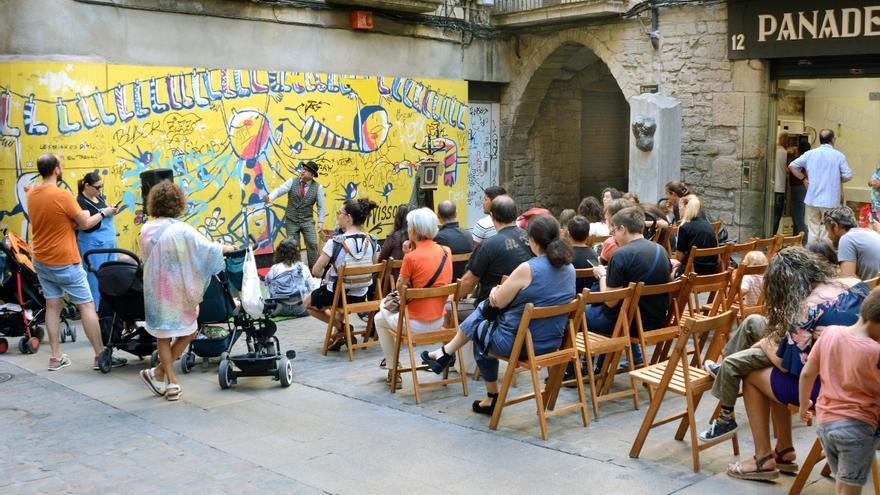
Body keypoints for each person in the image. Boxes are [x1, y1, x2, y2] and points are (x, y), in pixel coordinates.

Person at [726, 247, 867, 481]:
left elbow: (788, 365)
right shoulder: (854, 282)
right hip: (867, 384)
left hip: (836, 392)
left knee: (754, 377)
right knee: (771, 378)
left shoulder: (807, 307)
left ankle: (762, 459)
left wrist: (765, 345)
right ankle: (784, 450)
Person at [420, 215, 575, 415]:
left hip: (520, 344)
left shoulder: (528, 269)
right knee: (483, 318)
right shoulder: (569, 268)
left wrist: (495, 292)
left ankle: (490, 396)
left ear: (534, 241)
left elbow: (498, 301)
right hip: (553, 342)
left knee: (480, 330)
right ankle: (446, 353)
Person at [27, 154, 123, 371]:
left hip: (41, 258)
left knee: (53, 305)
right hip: (64, 259)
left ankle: (55, 356)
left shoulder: (32, 193)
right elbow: (86, 222)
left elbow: (51, 220)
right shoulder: (63, 195)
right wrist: (103, 213)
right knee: (87, 306)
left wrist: (72, 223)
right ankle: (100, 356)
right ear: (56, 170)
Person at [139, 181, 233, 401]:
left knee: (163, 335)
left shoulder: (146, 229)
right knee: (189, 330)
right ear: (178, 203)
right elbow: (207, 249)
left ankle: (159, 373)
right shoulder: (181, 229)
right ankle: (171, 382)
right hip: (177, 290)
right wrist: (227, 248)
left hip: (154, 291)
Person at [798, 289, 880, 495]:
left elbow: (807, 374)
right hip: (857, 428)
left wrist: (803, 405)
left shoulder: (831, 332)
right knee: (849, 489)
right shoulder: (875, 351)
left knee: (843, 484)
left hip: (826, 425)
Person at [374, 208, 452, 387]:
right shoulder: (446, 251)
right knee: (380, 318)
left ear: (414, 231)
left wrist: (408, 254)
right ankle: (391, 368)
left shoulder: (411, 258)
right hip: (439, 320)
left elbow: (401, 290)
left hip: (414, 324)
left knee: (381, 308)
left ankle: (394, 370)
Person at [591, 207, 672, 366]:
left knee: (575, 317)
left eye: (613, 230)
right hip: (658, 319)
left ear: (623, 229)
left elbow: (610, 302)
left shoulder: (621, 255)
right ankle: (607, 365)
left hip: (630, 324)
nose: (612, 235)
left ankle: (577, 372)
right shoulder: (661, 250)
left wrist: (602, 275)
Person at [305, 198, 379, 350]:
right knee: (338, 296)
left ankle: (342, 327)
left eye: (340, 213)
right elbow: (374, 266)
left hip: (339, 295)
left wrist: (331, 270)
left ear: (349, 217)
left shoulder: (335, 242)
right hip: (360, 295)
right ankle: (339, 334)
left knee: (307, 303)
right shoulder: (371, 240)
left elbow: (316, 271)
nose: (337, 216)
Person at [457, 195, 532, 308]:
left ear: (492, 217)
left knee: (449, 308)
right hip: (525, 305)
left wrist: (450, 297)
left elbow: (468, 283)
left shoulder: (488, 246)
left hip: (492, 310)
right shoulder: (532, 239)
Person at [789, 129, 853, 244]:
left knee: (812, 230)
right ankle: (824, 258)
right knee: (827, 232)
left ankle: (813, 258)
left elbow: (792, 166)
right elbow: (848, 176)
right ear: (833, 140)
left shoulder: (810, 154)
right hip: (830, 200)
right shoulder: (839, 156)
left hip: (812, 198)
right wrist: (836, 179)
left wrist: (803, 178)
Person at [262, 160, 325, 268]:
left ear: (312, 174)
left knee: (312, 243)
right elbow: (279, 190)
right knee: (293, 246)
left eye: (306, 170)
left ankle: (314, 271)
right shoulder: (292, 182)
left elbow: (321, 206)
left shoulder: (318, 188)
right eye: (303, 169)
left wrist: (320, 221)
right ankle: (296, 270)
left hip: (307, 221)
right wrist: (270, 198)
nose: (303, 171)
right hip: (292, 221)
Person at [76, 171, 118, 310]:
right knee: (95, 280)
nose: (100, 190)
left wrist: (110, 210)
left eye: (102, 186)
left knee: (111, 278)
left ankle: (110, 311)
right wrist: (103, 213)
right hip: (94, 246)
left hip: (109, 245)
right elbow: (85, 224)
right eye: (97, 187)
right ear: (87, 186)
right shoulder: (80, 202)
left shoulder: (98, 198)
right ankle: (96, 312)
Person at [823, 206, 880, 280]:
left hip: (868, 289)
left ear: (835, 226)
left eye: (827, 230)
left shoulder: (847, 238)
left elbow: (847, 280)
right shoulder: (869, 232)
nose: (828, 236)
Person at [265, 238, 317, 318]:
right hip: (301, 309)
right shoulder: (303, 267)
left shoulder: (274, 268)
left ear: (279, 253)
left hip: (281, 309)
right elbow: (312, 289)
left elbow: (269, 289)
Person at [674, 194, 718, 276]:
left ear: (685, 208)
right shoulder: (708, 225)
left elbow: (679, 258)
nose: (679, 210)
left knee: (666, 274)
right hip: (712, 271)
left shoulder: (684, 227)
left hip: (692, 272)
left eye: (680, 206)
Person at [433, 200, 472, 280]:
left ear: (438, 215)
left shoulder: (437, 237)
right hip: (464, 282)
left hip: (445, 284)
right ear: (456, 214)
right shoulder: (468, 235)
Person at [379, 205, 411, 282]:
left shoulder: (394, 236)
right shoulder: (417, 238)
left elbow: (381, 259)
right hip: (410, 281)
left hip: (392, 281)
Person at [567, 215, 598, 294]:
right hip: (589, 298)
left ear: (569, 235)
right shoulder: (594, 255)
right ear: (588, 235)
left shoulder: (566, 255)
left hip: (570, 300)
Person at [790, 141, 811, 240]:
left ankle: (805, 240)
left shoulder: (800, 160)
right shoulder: (808, 159)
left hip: (798, 188)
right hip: (802, 188)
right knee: (797, 215)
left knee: (799, 217)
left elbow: (789, 168)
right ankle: (795, 240)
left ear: (799, 149)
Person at [772, 133, 789, 235]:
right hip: (780, 188)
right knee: (776, 216)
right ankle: (772, 237)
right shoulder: (784, 152)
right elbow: (787, 169)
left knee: (770, 216)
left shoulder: (773, 152)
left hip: (772, 187)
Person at [870, 164, 880, 234]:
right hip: (875, 205)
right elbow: (870, 183)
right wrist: (871, 182)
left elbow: (877, 183)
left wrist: (877, 183)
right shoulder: (878, 171)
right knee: (875, 224)